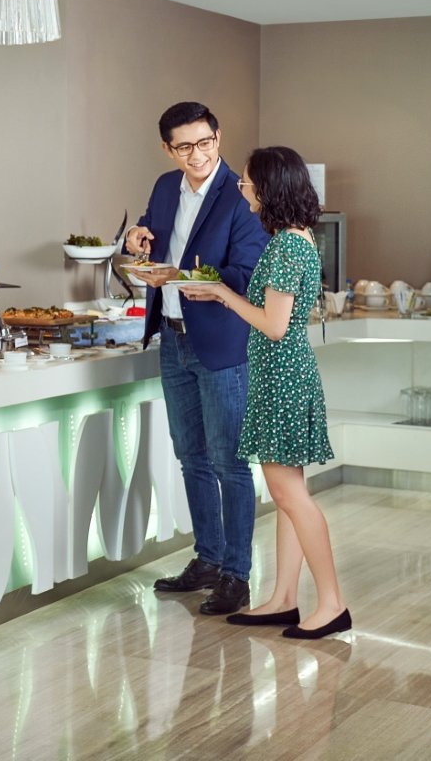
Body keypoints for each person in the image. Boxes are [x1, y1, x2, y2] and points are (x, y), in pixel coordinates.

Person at [179, 146, 350, 639]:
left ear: (270, 188)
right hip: (283, 375)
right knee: (288, 494)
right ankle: (284, 599)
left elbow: (274, 325)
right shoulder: (295, 239)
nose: (242, 189)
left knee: (289, 495)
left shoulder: (286, 247)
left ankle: (332, 604)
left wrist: (222, 294)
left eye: (247, 182)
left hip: (282, 378)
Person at [124, 101, 268, 616]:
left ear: (218, 137)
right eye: (184, 147)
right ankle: (208, 559)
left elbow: (246, 272)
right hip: (172, 339)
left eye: (205, 143)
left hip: (222, 344)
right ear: (168, 149)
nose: (197, 155)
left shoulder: (240, 195)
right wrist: (136, 239)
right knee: (192, 457)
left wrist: (184, 277)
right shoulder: (166, 187)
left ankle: (237, 575)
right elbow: (152, 234)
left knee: (230, 462)